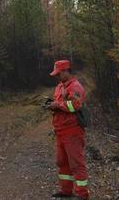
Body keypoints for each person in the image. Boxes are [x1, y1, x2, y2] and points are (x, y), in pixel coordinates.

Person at [46, 59, 89, 199]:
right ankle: (66, 191)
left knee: (76, 164)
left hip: (72, 131)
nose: (57, 77)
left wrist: (57, 105)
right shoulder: (59, 86)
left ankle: (82, 195)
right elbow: (60, 105)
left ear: (66, 71)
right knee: (62, 162)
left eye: (59, 73)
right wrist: (52, 106)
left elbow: (75, 106)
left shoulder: (75, 87)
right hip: (60, 131)